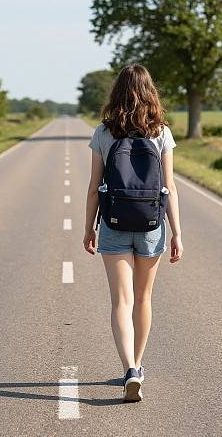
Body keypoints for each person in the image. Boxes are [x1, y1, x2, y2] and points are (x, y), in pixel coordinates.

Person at [83, 63, 183, 403]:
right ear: (150, 93)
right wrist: (177, 234)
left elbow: (94, 188)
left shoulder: (104, 132)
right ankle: (138, 365)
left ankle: (129, 368)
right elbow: (169, 187)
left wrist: (88, 228)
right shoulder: (161, 132)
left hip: (113, 223)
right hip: (152, 224)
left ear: (117, 92)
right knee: (143, 299)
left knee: (120, 302)